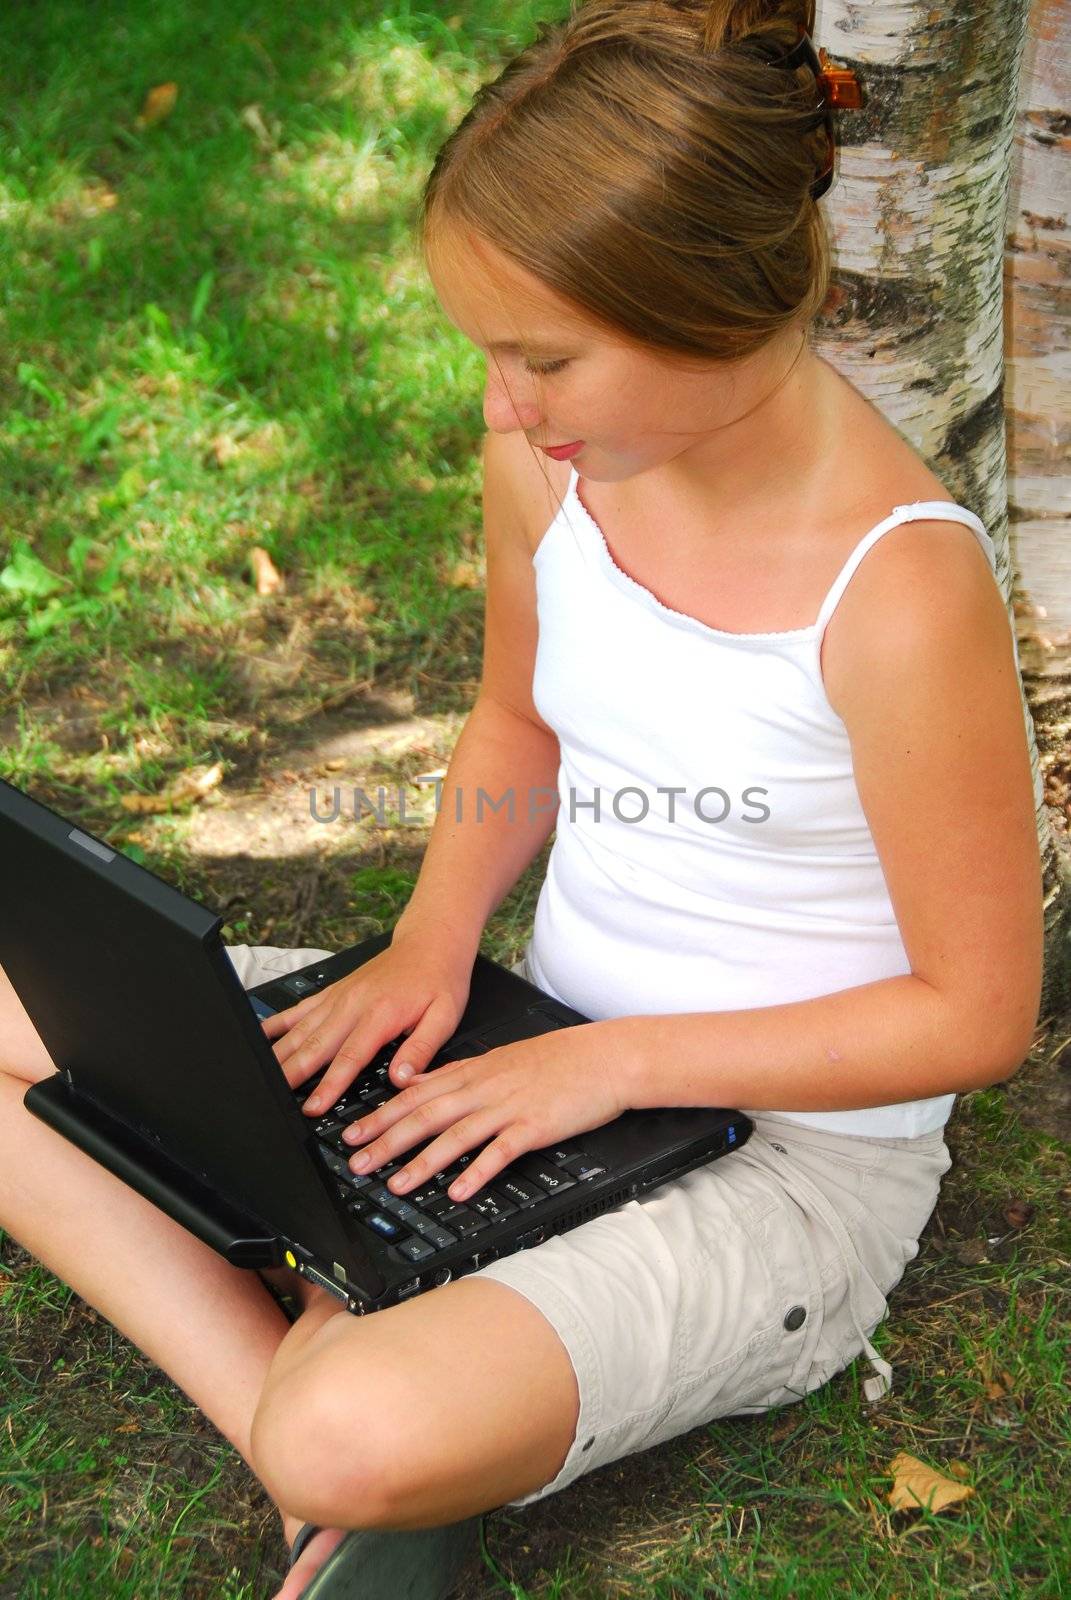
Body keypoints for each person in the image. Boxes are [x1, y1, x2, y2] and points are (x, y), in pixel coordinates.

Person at [0, 0, 1045, 1595]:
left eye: (543, 357)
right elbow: (514, 724)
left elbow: (978, 1016)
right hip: (517, 1043)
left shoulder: (896, 595)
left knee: (339, 1421)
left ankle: (343, 1413)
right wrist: (428, 949)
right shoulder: (556, 468)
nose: (502, 404)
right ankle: (349, 1425)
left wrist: (616, 1066)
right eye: (488, 352)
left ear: (713, 306)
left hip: (775, 1160)